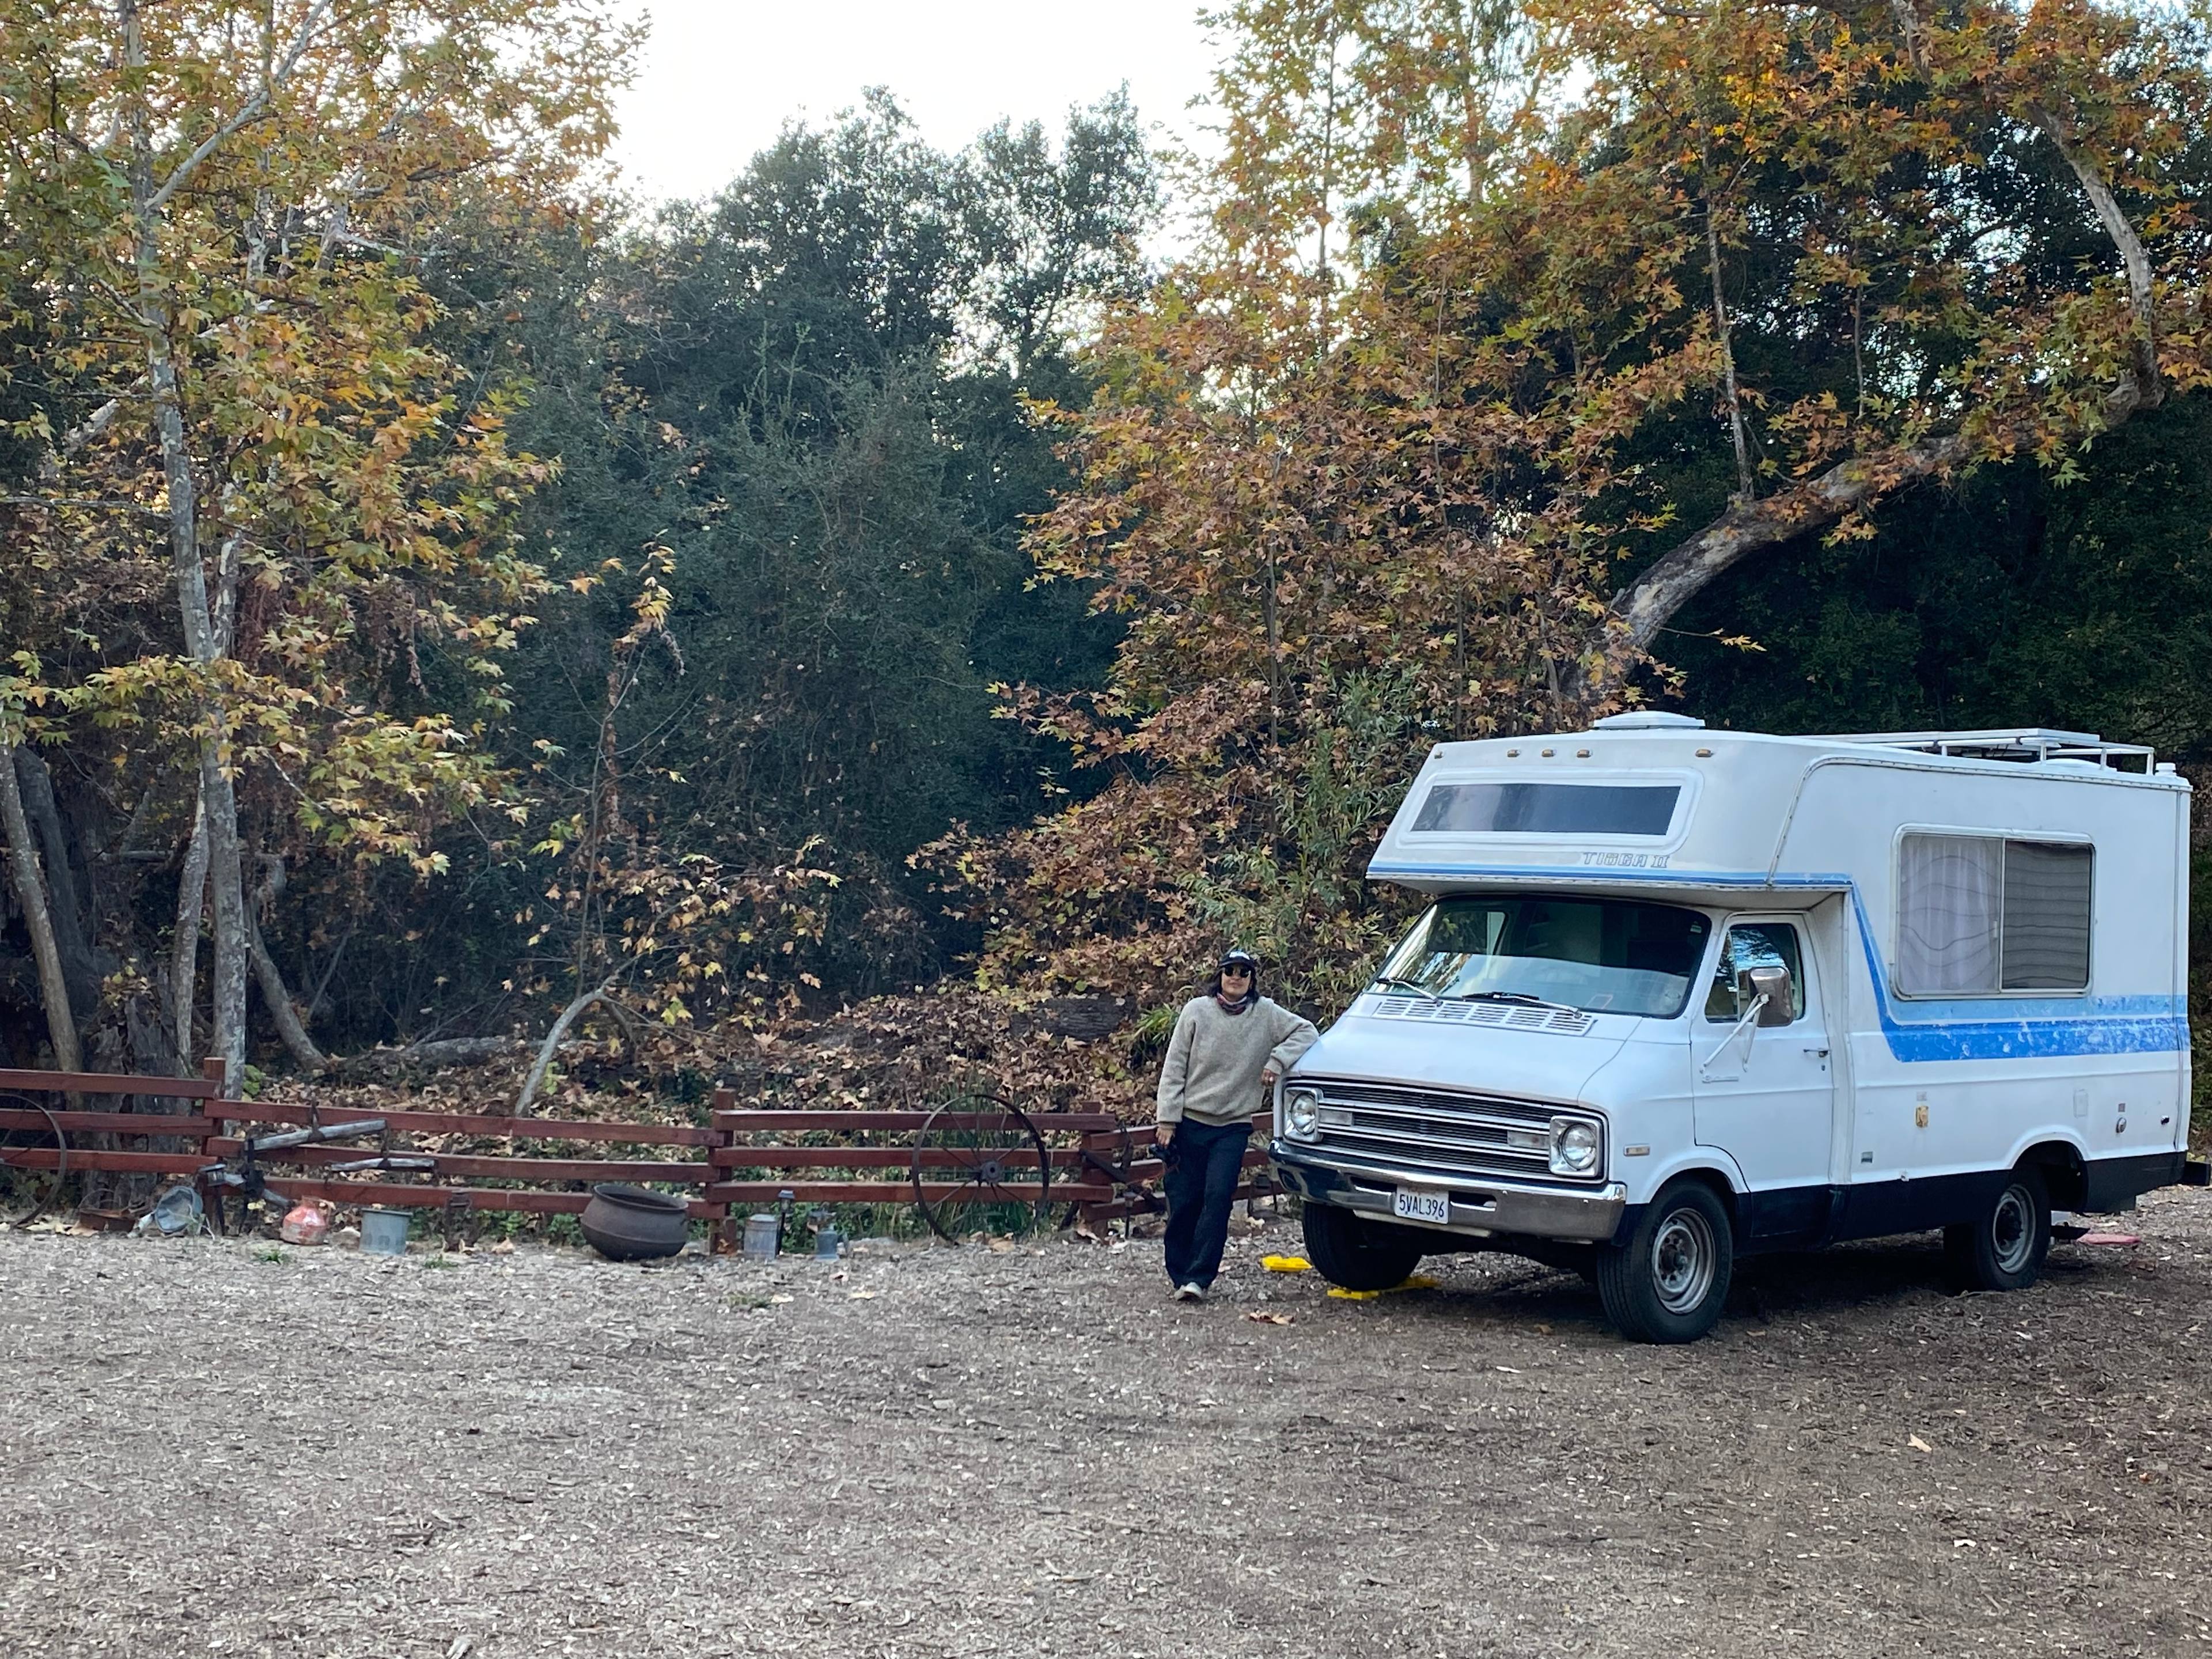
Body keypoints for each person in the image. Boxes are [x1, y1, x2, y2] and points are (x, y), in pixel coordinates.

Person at [1153, 948, 1319, 1302]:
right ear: (1220, 975)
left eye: (1244, 972)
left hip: (1232, 1125)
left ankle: (1199, 1277)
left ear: (1252, 979)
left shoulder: (1266, 1014)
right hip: (1190, 1121)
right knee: (1184, 1201)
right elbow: (1174, 1066)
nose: (1236, 977)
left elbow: (1307, 1032)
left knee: (1218, 1197)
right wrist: (1167, 1119)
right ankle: (1179, 1271)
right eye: (1230, 970)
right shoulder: (1196, 1011)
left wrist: (1277, 1061)